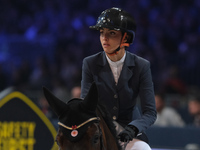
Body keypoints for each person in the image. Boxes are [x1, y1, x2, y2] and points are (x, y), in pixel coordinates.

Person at [81, 7, 157, 150]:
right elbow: (86, 104)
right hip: (99, 128)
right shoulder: (89, 63)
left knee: (143, 149)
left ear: (126, 37)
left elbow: (150, 112)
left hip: (129, 130)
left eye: (111, 33)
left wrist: (133, 128)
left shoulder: (142, 66)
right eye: (102, 33)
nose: (104, 38)